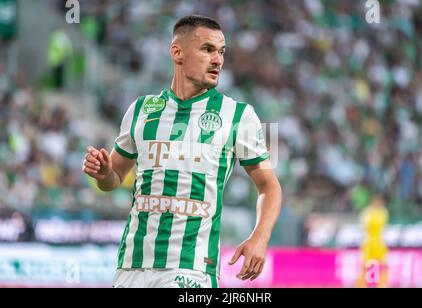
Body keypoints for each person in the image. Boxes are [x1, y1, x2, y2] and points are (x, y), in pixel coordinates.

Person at [82, 15, 282, 288]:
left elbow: (269, 187)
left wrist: (260, 237)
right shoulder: (141, 110)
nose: (218, 60)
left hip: (191, 269)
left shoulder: (239, 115)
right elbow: (112, 180)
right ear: (177, 53)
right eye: (207, 49)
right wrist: (104, 172)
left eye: (221, 52)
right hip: (131, 266)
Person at [356, 195, 389, 288]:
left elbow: (383, 228)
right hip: (368, 242)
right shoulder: (367, 212)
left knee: (380, 264)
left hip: (379, 242)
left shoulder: (383, 212)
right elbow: (364, 227)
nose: (378, 203)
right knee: (367, 264)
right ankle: (365, 284)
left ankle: (380, 284)